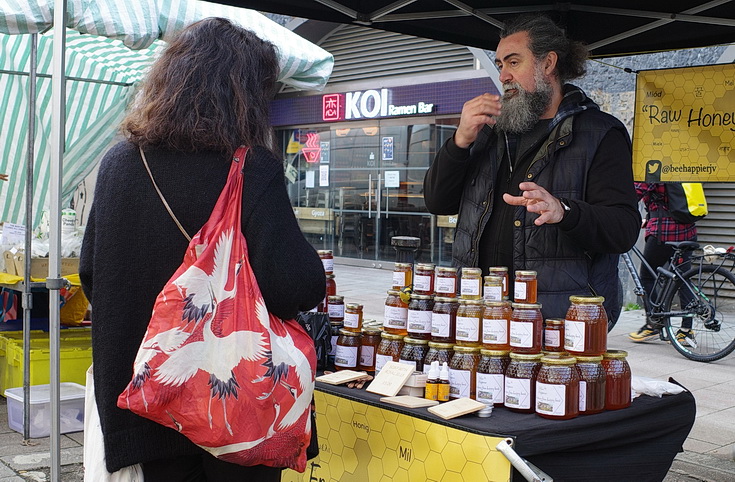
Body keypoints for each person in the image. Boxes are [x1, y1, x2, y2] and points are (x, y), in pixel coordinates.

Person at [79, 18, 326, 481]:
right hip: (230, 413)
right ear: (249, 95)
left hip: (145, 401)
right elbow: (297, 285)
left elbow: (92, 273)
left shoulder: (119, 162)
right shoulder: (251, 169)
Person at [423, 14, 640, 322]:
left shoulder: (600, 132)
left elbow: (624, 229)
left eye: (513, 62)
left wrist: (565, 211)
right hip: (479, 314)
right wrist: (459, 142)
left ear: (548, 63)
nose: (503, 77)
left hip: (560, 320)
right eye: (499, 65)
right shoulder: (488, 131)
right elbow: (437, 202)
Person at [629, 182, 697, 346]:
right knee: (683, 279)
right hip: (688, 230)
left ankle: (654, 324)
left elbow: (633, 194)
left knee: (646, 276)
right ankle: (686, 332)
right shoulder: (684, 167)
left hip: (664, 233)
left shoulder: (656, 168)